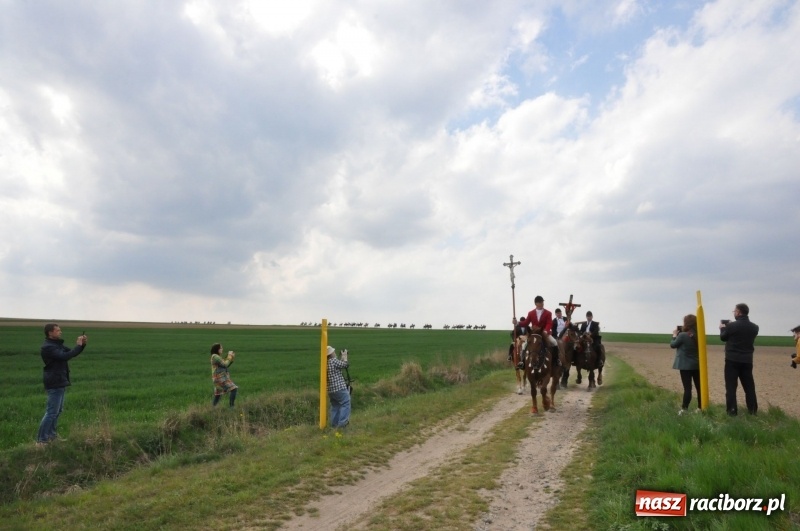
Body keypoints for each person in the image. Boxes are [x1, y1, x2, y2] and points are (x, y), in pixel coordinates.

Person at [37, 324, 87, 446]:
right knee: (51, 412)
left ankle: (52, 437)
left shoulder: (56, 345)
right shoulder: (48, 347)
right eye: (58, 330)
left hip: (59, 380)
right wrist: (78, 345)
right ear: (50, 333)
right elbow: (64, 356)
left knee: (57, 411)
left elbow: (71, 352)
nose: (60, 332)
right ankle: (42, 440)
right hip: (54, 381)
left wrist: (82, 345)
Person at [719, 303, 759, 416]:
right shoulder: (755, 327)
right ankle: (753, 410)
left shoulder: (731, 326)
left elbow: (723, 338)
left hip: (732, 360)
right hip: (747, 360)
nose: (734, 313)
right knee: (749, 387)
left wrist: (722, 329)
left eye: (734, 311)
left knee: (731, 387)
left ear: (738, 312)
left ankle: (732, 411)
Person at [518, 296, 561, 370]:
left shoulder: (548, 313)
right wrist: (517, 323)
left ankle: (556, 360)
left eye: (542, 302)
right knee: (524, 345)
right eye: (540, 302)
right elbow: (526, 322)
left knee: (554, 342)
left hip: (544, 333)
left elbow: (549, 323)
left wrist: (546, 330)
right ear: (536, 303)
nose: (542, 303)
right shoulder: (531, 313)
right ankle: (522, 362)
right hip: (534, 334)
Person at [671, 314, 701, 414]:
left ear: (686, 323)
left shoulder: (683, 335)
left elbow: (673, 344)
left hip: (685, 366)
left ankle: (684, 409)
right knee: (699, 387)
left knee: (687, 388)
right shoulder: (699, 334)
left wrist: (674, 335)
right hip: (697, 365)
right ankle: (700, 407)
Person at [326, 346, 351, 428]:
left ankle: (334, 425)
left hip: (330, 390)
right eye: (333, 352)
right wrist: (345, 357)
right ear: (330, 354)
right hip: (339, 388)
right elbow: (345, 365)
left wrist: (342, 358)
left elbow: (338, 366)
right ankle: (342, 424)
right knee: (346, 402)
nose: (335, 352)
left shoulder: (326, 363)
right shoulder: (333, 361)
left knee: (335, 406)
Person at [210, 343, 238, 408]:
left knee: (218, 394)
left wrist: (231, 358)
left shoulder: (217, 357)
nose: (222, 349)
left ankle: (213, 408)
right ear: (217, 349)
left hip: (218, 378)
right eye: (221, 348)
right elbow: (225, 364)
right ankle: (232, 407)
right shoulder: (215, 356)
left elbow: (225, 366)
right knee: (234, 389)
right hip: (220, 378)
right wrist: (229, 355)